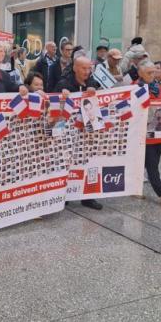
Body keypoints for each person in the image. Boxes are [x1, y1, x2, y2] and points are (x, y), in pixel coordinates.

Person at [54, 56, 103, 211]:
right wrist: (62, 96)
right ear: (75, 68)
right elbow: (53, 105)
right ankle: (65, 195)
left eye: (89, 68)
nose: (87, 72)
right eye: (83, 68)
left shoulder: (92, 83)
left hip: (87, 133)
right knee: (67, 161)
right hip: (69, 133)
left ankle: (87, 197)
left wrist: (95, 93)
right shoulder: (64, 83)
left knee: (88, 162)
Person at [136, 60, 161, 206]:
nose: (153, 75)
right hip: (145, 135)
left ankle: (136, 189)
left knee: (151, 163)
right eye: (149, 72)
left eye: (154, 71)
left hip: (159, 133)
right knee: (152, 165)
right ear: (140, 73)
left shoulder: (158, 86)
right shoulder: (137, 88)